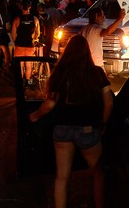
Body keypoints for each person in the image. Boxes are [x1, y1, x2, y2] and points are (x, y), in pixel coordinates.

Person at [29, 35, 112, 208]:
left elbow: (50, 104)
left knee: (61, 177)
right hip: (87, 130)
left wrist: (35, 116)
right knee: (98, 173)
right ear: (87, 52)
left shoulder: (60, 73)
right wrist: (102, 123)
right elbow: (109, 101)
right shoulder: (97, 72)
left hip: (62, 130)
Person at [11, 0, 40, 85]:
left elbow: (13, 34)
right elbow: (37, 33)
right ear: (30, 7)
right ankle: (27, 81)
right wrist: (34, 39)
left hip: (19, 44)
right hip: (29, 45)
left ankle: (20, 82)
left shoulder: (17, 19)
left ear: (21, 7)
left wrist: (16, 41)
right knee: (28, 64)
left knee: (20, 64)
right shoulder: (35, 19)